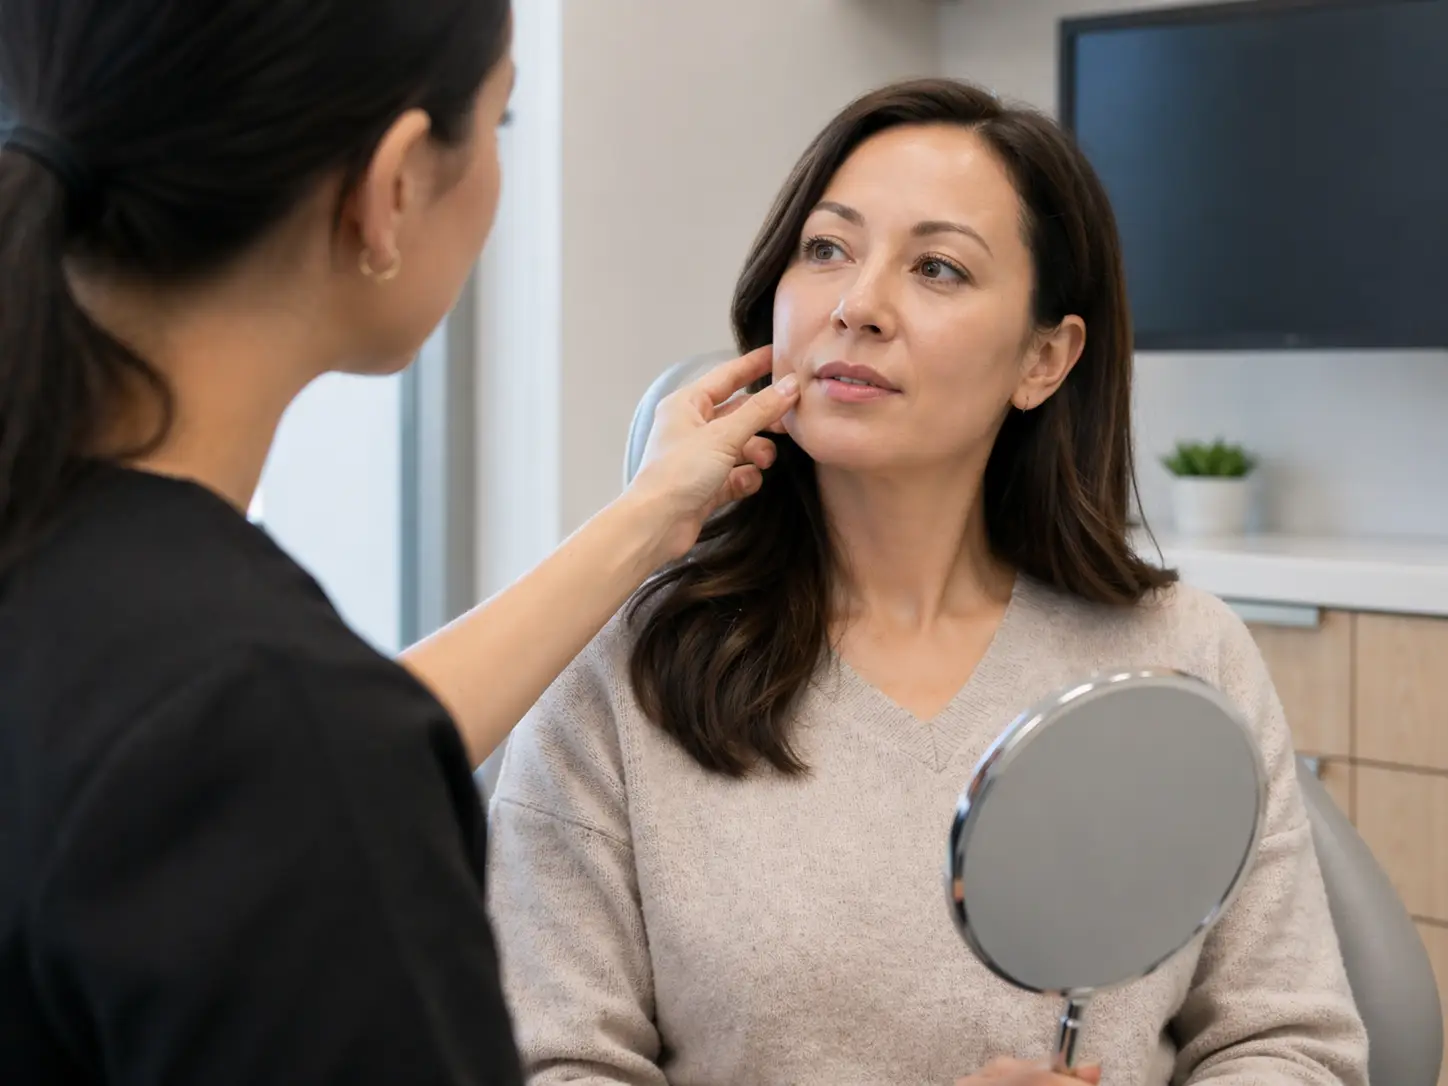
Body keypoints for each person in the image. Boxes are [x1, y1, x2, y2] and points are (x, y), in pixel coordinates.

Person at [487, 78, 1370, 1085]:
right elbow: (549, 1064)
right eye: (825, 248)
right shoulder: (617, 668)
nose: (857, 306)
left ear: (1044, 358)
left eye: (938, 269)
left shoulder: (1182, 653)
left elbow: (1286, 1045)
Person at [0, 1, 801, 1082]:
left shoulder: (104, 604)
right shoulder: (269, 719)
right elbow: (289, 762)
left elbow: (251, 766)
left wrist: (645, 521)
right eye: (500, 122)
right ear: (392, 186)